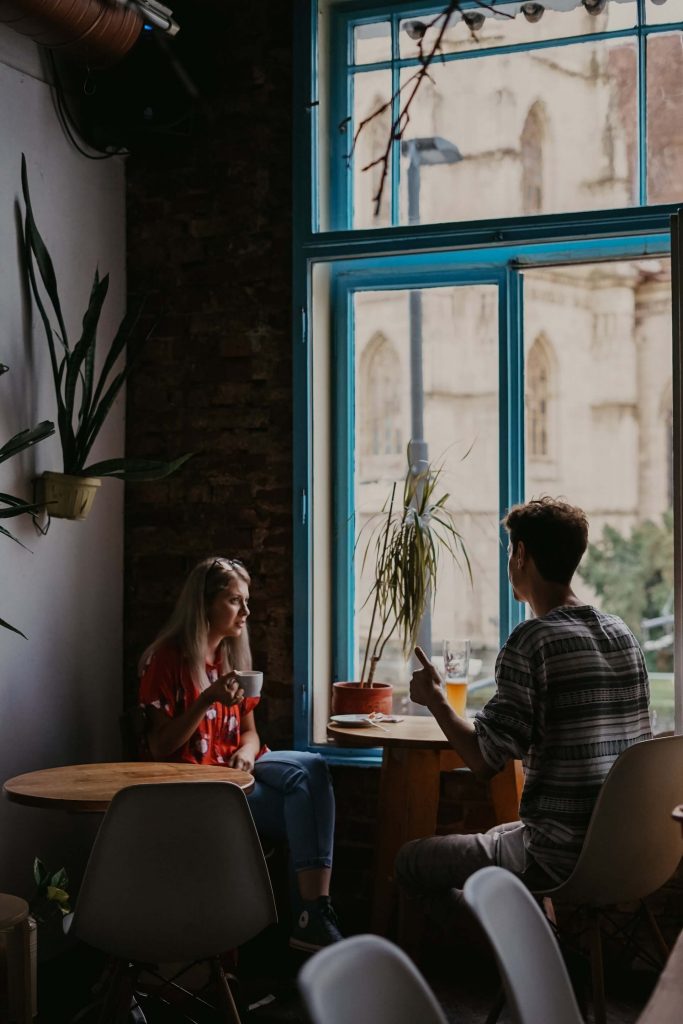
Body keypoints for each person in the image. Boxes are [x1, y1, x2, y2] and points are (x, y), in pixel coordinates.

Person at [395, 497, 652, 924]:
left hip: (557, 856)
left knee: (410, 860)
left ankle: (530, 952)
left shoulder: (532, 642)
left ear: (520, 554)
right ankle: (543, 942)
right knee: (502, 836)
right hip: (629, 850)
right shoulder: (622, 634)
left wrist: (436, 699)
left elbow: (482, 760)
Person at [138, 555, 342, 952]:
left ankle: (311, 913)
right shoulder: (164, 660)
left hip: (238, 772)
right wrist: (206, 700)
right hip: (197, 787)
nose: (246, 611)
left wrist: (247, 755)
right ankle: (305, 923)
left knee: (312, 768)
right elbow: (160, 748)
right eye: (235, 600)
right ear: (204, 604)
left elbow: (249, 734)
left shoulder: (229, 659)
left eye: (246, 601)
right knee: (300, 810)